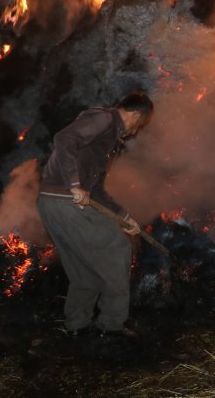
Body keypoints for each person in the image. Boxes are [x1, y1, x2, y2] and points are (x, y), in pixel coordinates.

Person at [37, 90, 153, 337]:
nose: (135, 132)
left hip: (54, 203)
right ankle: (111, 325)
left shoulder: (107, 140)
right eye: (139, 125)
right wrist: (74, 184)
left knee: (83, 268)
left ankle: (77, 325)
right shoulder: (104, 119)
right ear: (135, 114)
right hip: (66, 201)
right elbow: (64, 139)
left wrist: (123, 216)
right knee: (117, 247)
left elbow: (96, 189)